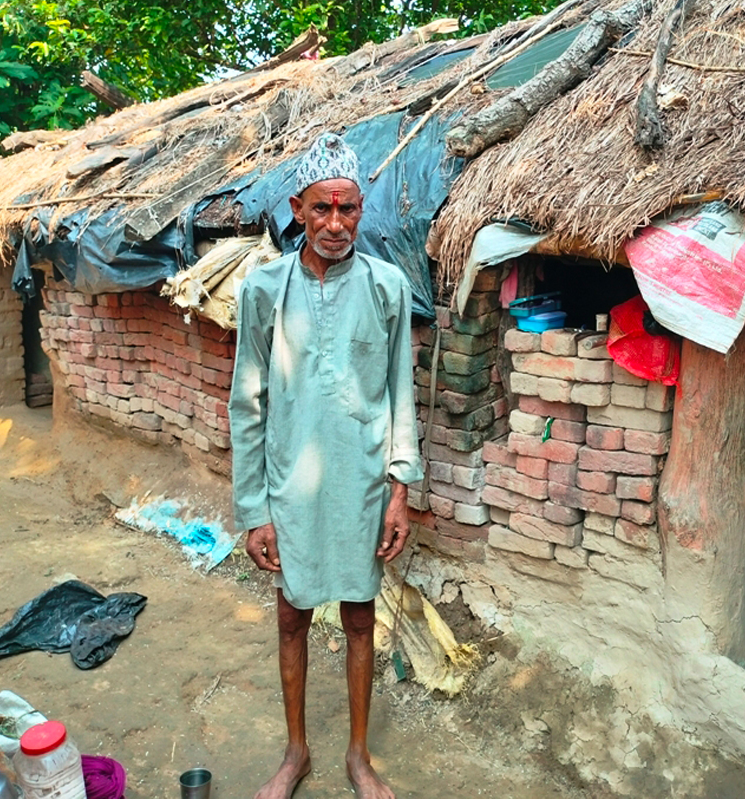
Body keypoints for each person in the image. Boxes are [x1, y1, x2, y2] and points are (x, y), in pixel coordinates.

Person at [229, 132, 423, 799]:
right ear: (298, 208)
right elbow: (246, 403)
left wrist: (401, 489)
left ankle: (359, 757)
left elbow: (401, 389)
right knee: (291, 615)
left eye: (349, 209)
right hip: (290, 485)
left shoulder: (388, 286)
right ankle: (296, 752)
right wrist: (253, 509)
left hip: (364, 484)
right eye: (322, 209)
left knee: (361, 614)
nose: (336, 224)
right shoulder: (263, 289)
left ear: (361, 209)